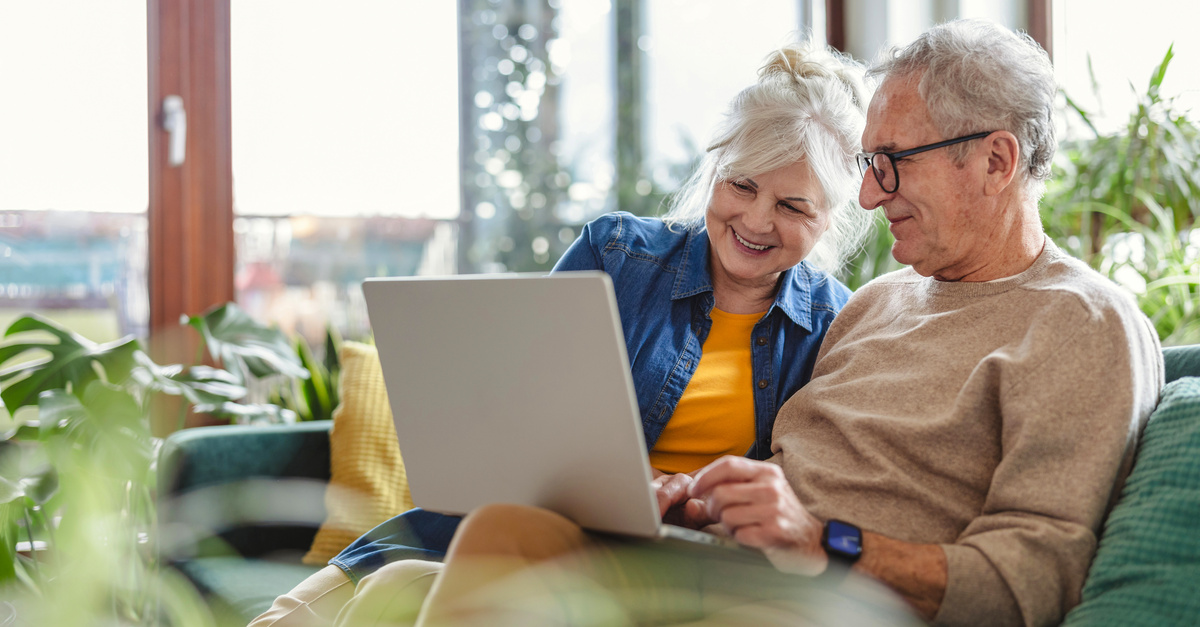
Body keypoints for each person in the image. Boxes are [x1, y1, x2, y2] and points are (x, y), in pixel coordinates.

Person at [362, 18, 1164, 627]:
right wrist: (709, 497)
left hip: (831, 599)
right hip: (720, 561)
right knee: (459, 553)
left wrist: (825, 541)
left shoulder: (1082, 323)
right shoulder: (879, 303)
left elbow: (1033, 577)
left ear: (995, 161)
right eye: (868, 166)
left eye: (892, 164)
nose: (871, 199)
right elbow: (786, 470)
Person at [250, 39, 874, 627]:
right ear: (715, 171)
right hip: (519, 523)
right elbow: (517, 421)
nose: (757, 219)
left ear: (831, 218)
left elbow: (800, 497)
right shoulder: (618, 254)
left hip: (670, 560)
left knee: (395, 592)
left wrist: (698, 499)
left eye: (793, 207)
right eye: (742, 185)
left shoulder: (835, 327)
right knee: (300, 614)